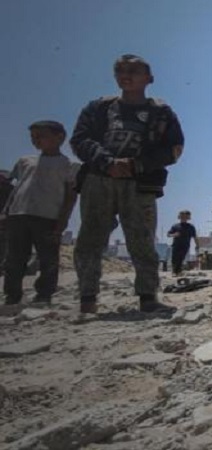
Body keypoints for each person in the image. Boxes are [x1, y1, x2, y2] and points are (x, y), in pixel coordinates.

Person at [70, 54, 184, 314]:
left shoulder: (161, 113)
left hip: (139, 184)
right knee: (90, 240)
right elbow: (80, 140)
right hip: (99, 180)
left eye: (134, 70)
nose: (126, 75)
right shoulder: (99, 108)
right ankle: (87, 299)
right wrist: (107, 162)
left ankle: (148, 297)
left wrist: (136, 165)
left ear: (149, 78)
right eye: (120, 70)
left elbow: (174, 149)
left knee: (142, 240)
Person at [2, 121, 78, 305]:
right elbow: (15, 188)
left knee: (48, 259)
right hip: (19, 214)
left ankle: (44, 295)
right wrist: (5, 212)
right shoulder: (25, 161)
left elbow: (70, 196)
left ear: (59, 137)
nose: (36, 141)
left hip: (47, 217)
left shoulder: (69, 165)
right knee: (14, 258)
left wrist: (63, 221)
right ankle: (12, 296)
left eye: (41, 136)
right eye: (33, 137)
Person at [167, 210, 199, 276]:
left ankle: (177, 271)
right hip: (176, 245)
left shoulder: (191, 227)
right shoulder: (175, 226)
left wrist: (197, 245)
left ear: (188, 218)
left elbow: (195, 236)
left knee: (181, 258)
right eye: (182, 216)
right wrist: (174, 234)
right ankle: (175, 271)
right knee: (174, 258)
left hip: (185, 245)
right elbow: (168, 234)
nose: (183, 218)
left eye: (185, 216)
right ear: (179, 217)